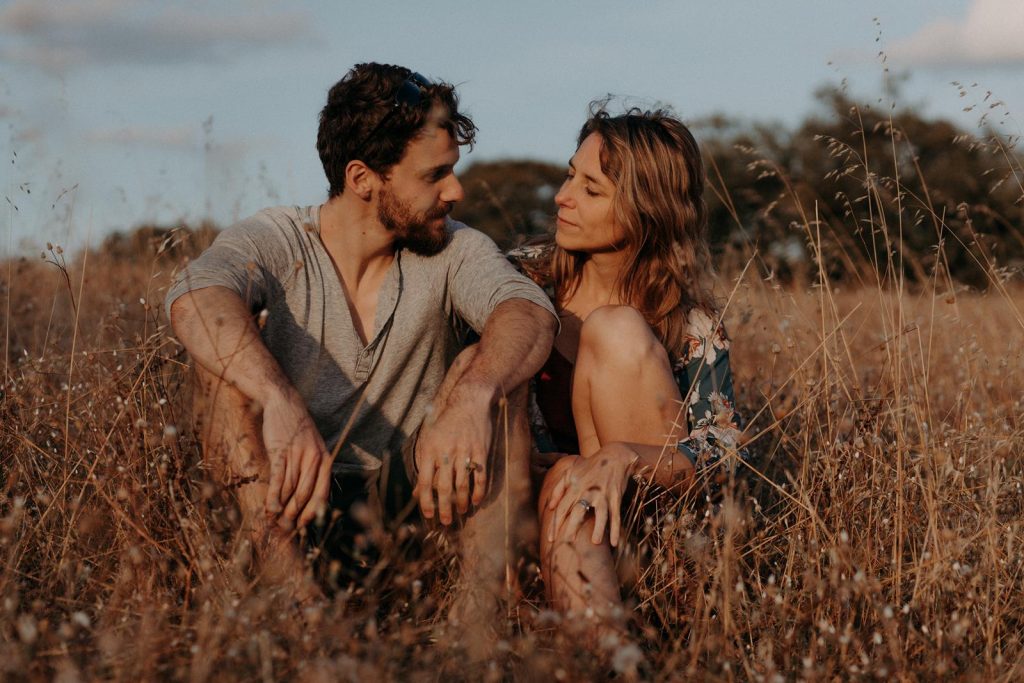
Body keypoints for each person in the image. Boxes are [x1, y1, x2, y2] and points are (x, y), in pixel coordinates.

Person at [165, 63, 557, 647]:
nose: (456, 191)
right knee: (224, 368)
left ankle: (479, 627)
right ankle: (294, 610)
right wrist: (278, 398)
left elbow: (527, 311)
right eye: (436, 175)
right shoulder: (278, 240)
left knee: (496, 374)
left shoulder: (452, 247)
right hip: (287, 501)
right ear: (363, 177)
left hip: (415, 504)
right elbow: (197, 297)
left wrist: (475, 393)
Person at [507, 105, 749, 639]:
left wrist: (626, 457)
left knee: (614, 329)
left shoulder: (691, 324)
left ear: (647, 209)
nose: (562, 197)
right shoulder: (521, 282)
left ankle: (631, 625)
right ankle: (610, 656)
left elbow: (728, 449)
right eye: (571, 174)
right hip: (528, 518)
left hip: (645, 528)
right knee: (571, 480)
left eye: (592, 190)